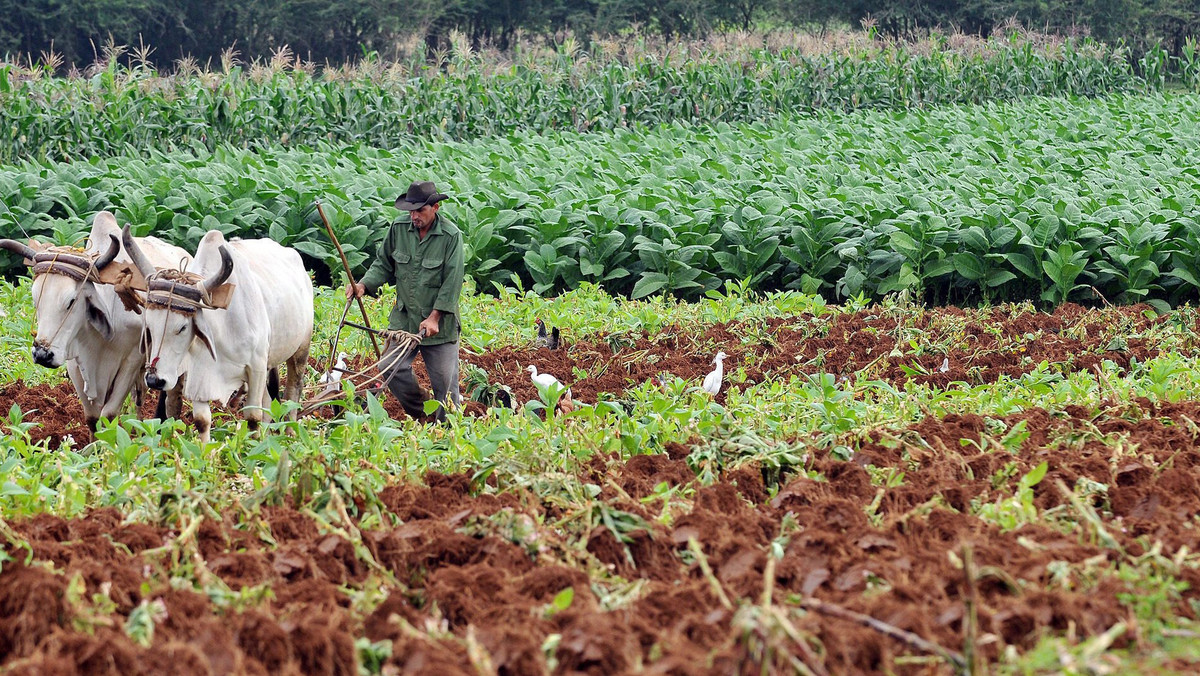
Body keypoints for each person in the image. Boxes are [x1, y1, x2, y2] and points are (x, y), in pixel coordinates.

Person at [347, 180, 464, 421]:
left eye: (420, 210)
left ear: (435, 208)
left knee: (446, 389)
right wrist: (363, 285)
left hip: (439, 327)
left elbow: (452, 282)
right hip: (404, 318)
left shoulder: (451, 236)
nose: (414, 216)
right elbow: (383, 263)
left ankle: (448, 431)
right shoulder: (398, 229)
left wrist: (434, 317)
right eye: (411, 210)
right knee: (390, 367)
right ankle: (422, 413)